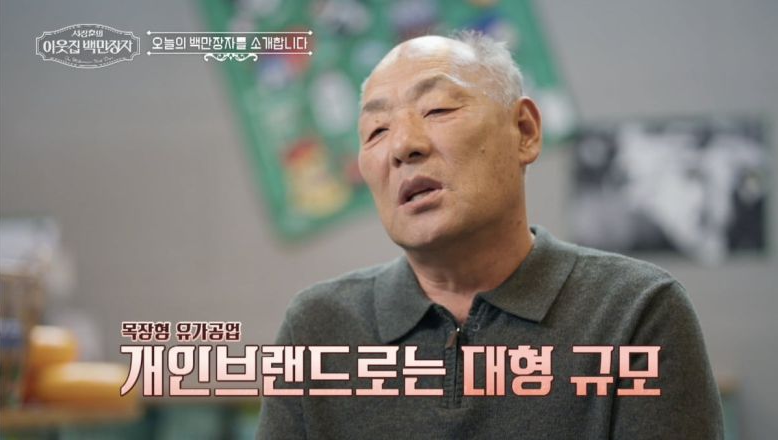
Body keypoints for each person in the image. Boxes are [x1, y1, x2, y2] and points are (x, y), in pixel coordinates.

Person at [257, 32, 724, 439]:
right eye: (377, 130)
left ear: (525, 131)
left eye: (437, 109)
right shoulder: (317, 328)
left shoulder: (636, 311)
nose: (402, 146)